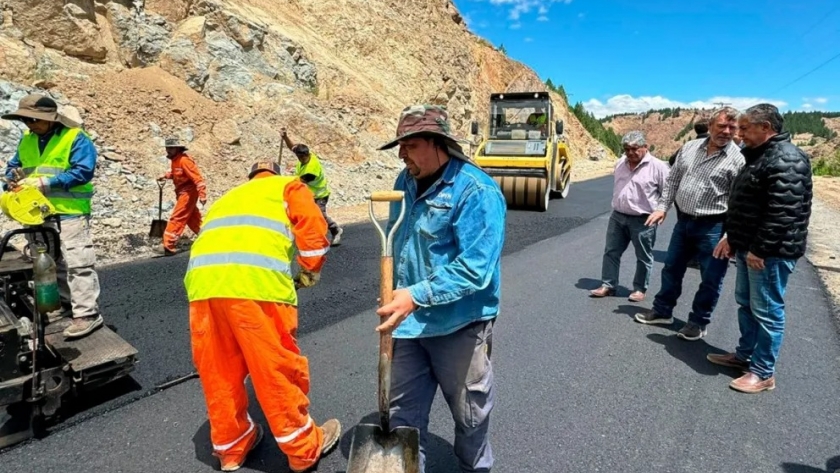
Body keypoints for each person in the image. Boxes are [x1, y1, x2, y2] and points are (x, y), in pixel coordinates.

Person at [183, 161, 340, 472]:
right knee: (274, 367)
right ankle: (302, 448)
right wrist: (309, 273)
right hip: (257, 287)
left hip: (202, 287)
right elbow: (313, 234)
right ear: (278, 172)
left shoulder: (229, 197)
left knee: (219, 370)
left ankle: (231, 448)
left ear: (251, 177)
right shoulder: (290, 186)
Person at [375, 104, 507, 472]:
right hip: (409, 325)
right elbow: (401, 243)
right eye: (400, 145)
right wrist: (396, 290)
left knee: (470, 415)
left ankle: (474, 467)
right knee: (403, 415)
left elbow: (477, 269)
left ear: (438, 144)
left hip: (459, 326)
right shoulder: (405, 181)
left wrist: (415, 295)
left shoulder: (477, 192)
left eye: (411, 144)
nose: (402, 154)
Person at [707, 104, 813, 394]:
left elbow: (782, 213)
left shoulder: (787, 159)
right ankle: (745, 355)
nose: (738, 135)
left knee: (767, 311)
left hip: (768, 254)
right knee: (747, 303)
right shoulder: (760, 156)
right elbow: (748, 205)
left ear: (765, 127)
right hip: (749, 248)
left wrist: (761, 250)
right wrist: (733, 238)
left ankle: (763, 372)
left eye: (744, 128)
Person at [634, 106, 745, 341]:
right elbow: (673, 179)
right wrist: (662, 207)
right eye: (721, 126)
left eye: (732, 128)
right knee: (671, 268)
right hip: (683, 222)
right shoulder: (690, 147)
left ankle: (698, 322)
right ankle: (663, 311)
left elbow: (740, 202)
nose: (726, 131)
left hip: (714, 227)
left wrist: (730, 236)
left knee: (711, 278)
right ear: (711, 125)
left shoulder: (739, 160)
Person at [2, 94, 103, 339]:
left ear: (50, 119)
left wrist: (46, 183)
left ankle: (87, 314)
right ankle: (67, 305)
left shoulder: (75, 138)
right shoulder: (28, 140)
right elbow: (14, 165)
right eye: (26, 121)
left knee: (77, 262)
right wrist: (11, 178)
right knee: (49, 262)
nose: (30, 125)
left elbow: (83, 172)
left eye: (34, 120)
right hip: (37, 213)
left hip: (69, 213)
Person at [590, 131, 670, 303]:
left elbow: (667, 193)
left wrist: (662, 211)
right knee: (611, 252)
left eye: (635, 148)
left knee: (643, 256)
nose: (631, 153)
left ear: (645, 147)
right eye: (627, 149)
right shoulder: (620, 163)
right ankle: (608, 285)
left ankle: (640, 289)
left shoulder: (658, 167)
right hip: (618, 217)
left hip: (643, 220)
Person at [280, 128, 343, 246]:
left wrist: (281, 181)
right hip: (309, 194)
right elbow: (292, 147)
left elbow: (300, 181)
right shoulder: (304, 154)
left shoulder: (312, 168)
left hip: (320, 195)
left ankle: (336, 230)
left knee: (319, 215)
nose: (303, 159)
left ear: (307, 154)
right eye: (300, 157)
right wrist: (285, 137)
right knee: (303, 214)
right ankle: (309, 236)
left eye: (304, 157)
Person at [156, 137, 207, 256]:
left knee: (177, 216)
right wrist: (166, 176)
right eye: (167, 148)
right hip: (181, 192)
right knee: (192, 218)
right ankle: (208, 237)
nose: (168, 150)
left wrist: (202, 194)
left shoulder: (185, 161)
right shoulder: (175, 160)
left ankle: (168, 245)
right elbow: (177, 174)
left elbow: (197, 178)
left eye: (171, 148)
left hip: (188, 192)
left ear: (178, 148)